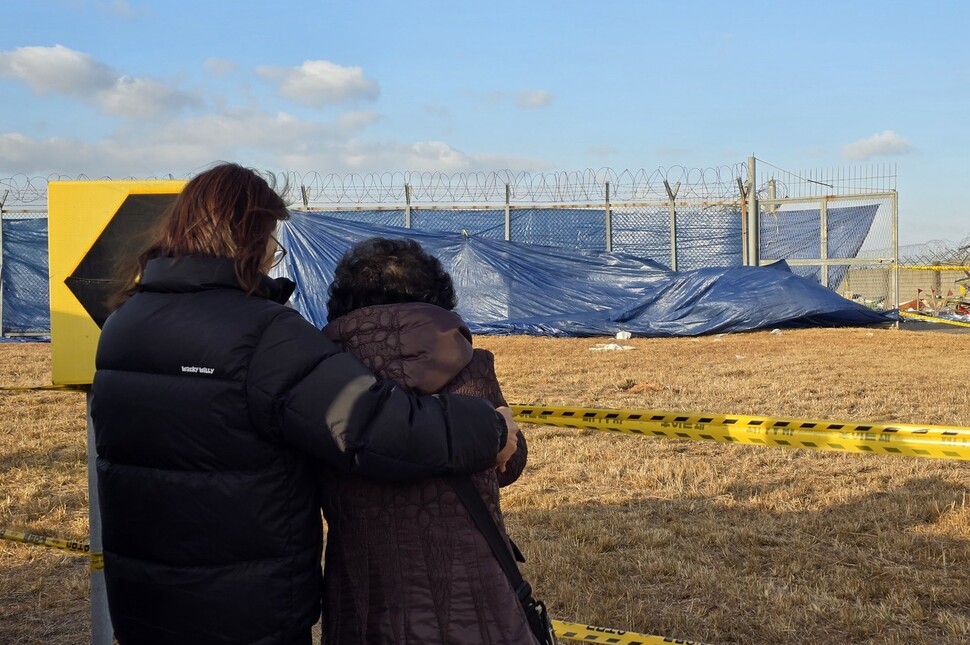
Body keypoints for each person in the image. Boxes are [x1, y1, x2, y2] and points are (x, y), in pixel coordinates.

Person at [90, 163, 519, 645]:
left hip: (144, 601)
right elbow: (374, 428)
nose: (274, 254)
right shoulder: (261, 332)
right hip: (241, 610)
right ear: (247, 237)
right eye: (271, 238)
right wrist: (494, 429)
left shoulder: (122, 323)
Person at [319, 237, 538, 644]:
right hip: (473, 593)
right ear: (436, 295)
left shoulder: (324, 375)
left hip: (365, 598)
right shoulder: (469, 365)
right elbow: (510, 466)